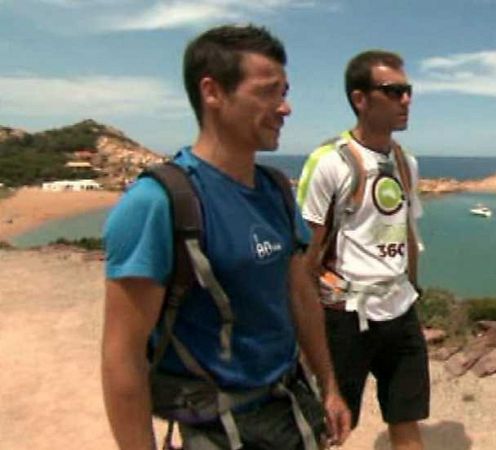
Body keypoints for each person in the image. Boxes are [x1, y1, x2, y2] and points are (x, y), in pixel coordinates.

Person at [101, 24, 350, 450]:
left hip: (290, 408)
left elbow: (299, 293)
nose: (286, 108)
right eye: (269, 91)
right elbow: (122, 356)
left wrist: (329, 385)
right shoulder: (157, 202)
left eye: (285, 91)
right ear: (213, 92)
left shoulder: (275, 189)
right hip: (214, 427)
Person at [296, 50, 429, 450]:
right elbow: (307, 252)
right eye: (394, 91)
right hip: (344, 317)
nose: (406, 100)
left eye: (408, 91)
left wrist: (414, 289)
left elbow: (405, 230)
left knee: (407, 422)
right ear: (360, 99)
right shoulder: (329, 162)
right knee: (333, 426)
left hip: (399, 310)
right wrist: (304, 326)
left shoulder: (407, 163)